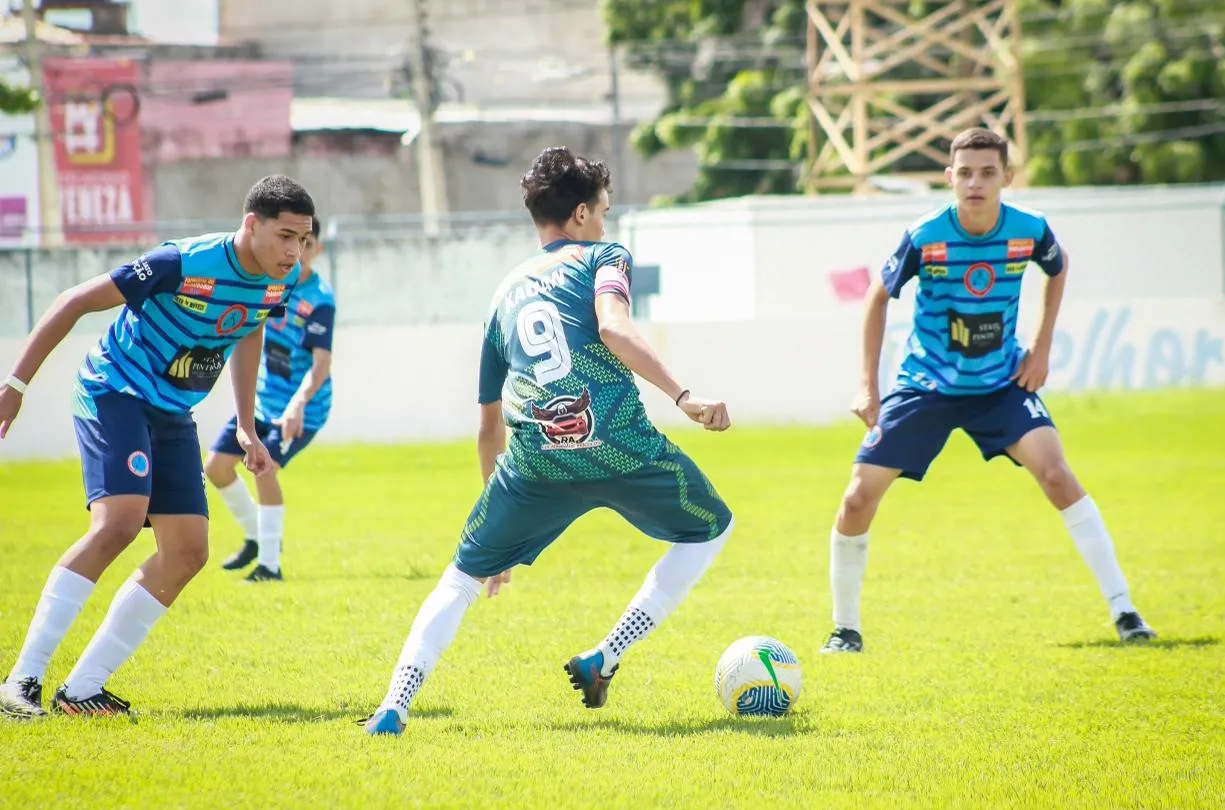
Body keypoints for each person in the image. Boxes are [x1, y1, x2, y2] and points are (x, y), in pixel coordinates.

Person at [362, 147, 734, 736]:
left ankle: (394, 704)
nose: (608, 223)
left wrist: (498, 522)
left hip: (533, 459)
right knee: (713, 526)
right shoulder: (603, 255)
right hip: (616, 442)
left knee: (459, 579)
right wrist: (683, 396)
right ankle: (606, 656)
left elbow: (487, 423)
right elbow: (612, 326)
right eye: (605, 210)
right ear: (582, 213)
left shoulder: (503, 294)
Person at [821, 128, 1156, 655]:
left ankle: (1126, 611)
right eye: (966, 172)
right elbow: (877, 296)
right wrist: (868, 384)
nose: (975, 182)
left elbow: (1058, 266)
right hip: (926, 384)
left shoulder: (1029, 229)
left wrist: (1042, 348)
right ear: (950, 177)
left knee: (1056, 474)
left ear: (1007, 176)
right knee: (858, 497)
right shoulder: (926, 233)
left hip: (1001, 383)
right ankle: (845, 630)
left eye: (987, 172)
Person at [0, 176, 314, 718]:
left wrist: (245, 424)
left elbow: (249, 331)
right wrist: (16, 387)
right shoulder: (182, 263)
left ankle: (81, 691)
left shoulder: (278, 284)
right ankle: (20, 682)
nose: (294, 251)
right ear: (251, 224)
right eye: (285, 235)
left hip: (172, 411)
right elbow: (74, 301)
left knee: (188, 550)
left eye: (303, 239)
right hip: (114, 391)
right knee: (119, 523)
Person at [204, 216, 336, 583]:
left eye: (307, 243)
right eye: (294, 241)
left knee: (265, 469)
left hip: (301, 410)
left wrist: (297, 405)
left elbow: (321, 363)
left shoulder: (319, 299)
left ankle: (269, 566)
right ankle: (256, 537)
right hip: (261, 403)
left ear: (316, 249)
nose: (298, 251)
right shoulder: (271, 283)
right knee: (216, 467)